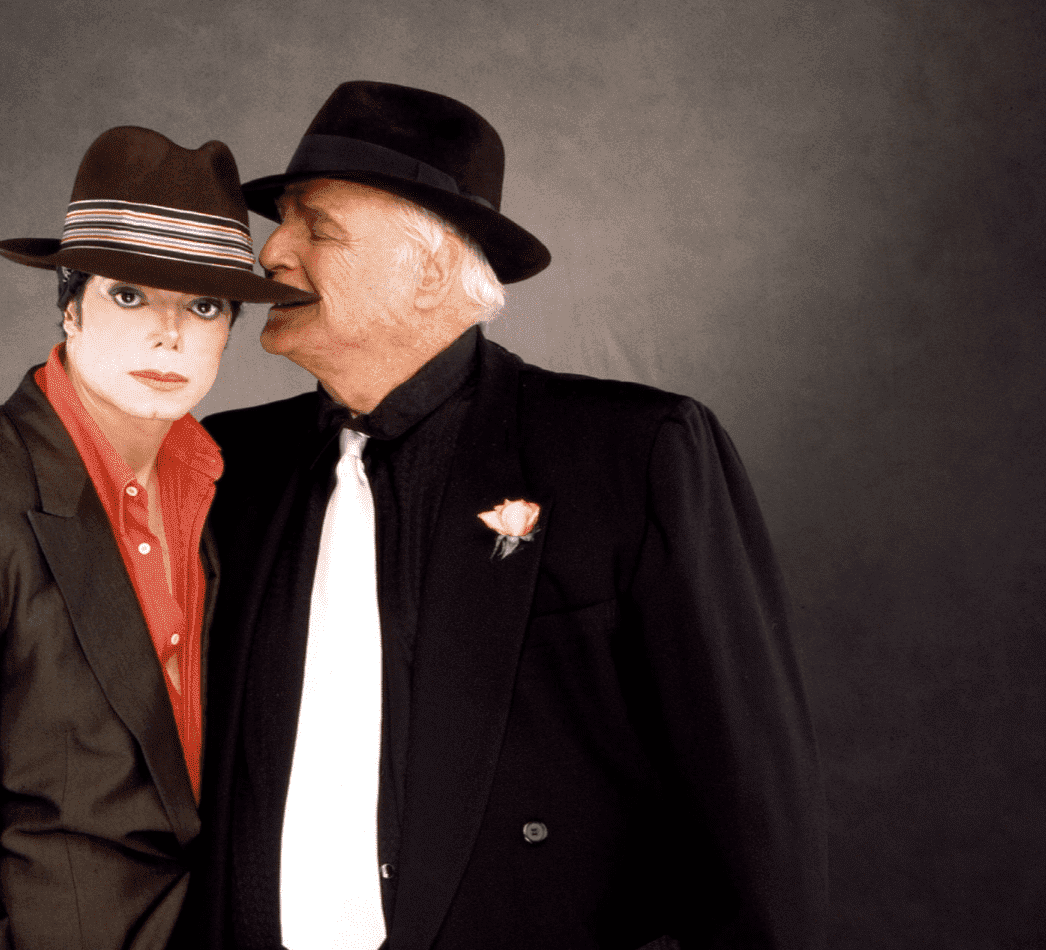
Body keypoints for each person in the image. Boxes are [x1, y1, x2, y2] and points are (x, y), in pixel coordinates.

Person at [195, 82, 828, 950]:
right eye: (282, 224)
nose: (272, 255)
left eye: (317, 227)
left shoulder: (635, 454)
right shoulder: (222, 467)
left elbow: (753, 809)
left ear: (432, 267)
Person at [0, 126, 312, 950]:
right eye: (130, 295)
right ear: (69, 304)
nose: (169, 334)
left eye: (202, 306)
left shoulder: (225, 488)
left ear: (230, 327)